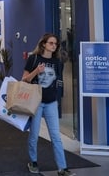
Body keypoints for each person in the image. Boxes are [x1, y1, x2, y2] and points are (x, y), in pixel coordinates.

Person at [22, 33, 75, 176]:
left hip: (51, 103)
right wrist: (36, 71)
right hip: (36, 103)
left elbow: (58, 82)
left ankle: (62, 168)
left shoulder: (57, 62)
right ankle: (33, 161)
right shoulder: (33, 59)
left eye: (55, 44)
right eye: (51, 43)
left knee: (56, 137)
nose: (54, 46)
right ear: (43, 44)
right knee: (34, 134)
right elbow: (24, 79)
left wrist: (57, 99)